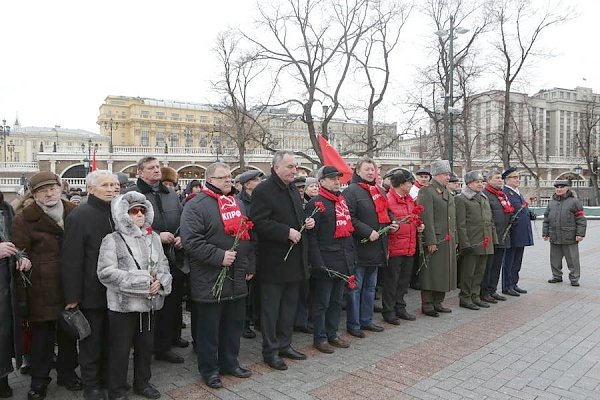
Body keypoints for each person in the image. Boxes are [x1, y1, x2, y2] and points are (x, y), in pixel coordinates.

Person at [180, 162, 254, 389]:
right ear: (209, 179)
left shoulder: (236, 201)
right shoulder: (196, 205)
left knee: (233, 325)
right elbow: (191, 241)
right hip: (209, 277)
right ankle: (209, 370)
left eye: (230, 178)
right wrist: (219, 256)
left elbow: (246, 236)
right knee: (209, 330)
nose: (227, 181)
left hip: (236, 275)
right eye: (222, 178)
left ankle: (230, 363)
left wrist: (248, 264)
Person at [11, 172, 81, 400]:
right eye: (42, 190)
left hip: (70, 282)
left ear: (60, 188)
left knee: (69, 333)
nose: (49, 193)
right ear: (34, 194)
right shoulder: (24, 218)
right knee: (42, 337)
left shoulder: (75, 212)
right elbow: (19, 249)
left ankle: (67, 374)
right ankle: (40, 380)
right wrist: (21, 259)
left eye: (52, 188)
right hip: (41, 287)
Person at [97, 192, 172, 400]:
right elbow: (105, 273)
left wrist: (161, 282)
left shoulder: (153, 238)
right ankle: (117, 390)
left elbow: (164, 266)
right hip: (123, 307)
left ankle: (143, 383)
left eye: (142, 210)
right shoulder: (112, 239)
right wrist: (142, 282)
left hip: (149, 304)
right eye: (133, 211)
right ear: (123, 214)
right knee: (119, 351)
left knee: (145, 348)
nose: (139, 214)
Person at [250, 150, 315, 371]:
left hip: (294, 261)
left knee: (289, 307)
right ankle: (270, 351)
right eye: (290, 166)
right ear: (276, 167)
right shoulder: (263, 191)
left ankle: (285, 344)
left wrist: (305, 222)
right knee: (271, 310)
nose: (294, 170)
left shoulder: (292, 190)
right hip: (274, 262)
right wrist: (285, 232)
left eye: (295, 166)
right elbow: (258, 222)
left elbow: (295, 216)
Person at [62, 170, 120, 400]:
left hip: (116, 290)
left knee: (112, 340)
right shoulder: (79, 216)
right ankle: (92, 385)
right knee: (91, 343)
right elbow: (71, 259)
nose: (111, 189)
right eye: (105, 185)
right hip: (91, 291)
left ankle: (108, 378)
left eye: (114, 185)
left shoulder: (119, 212)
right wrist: (72, 296)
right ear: (91, 189)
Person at [127, 157, 187, 363]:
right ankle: (146, 346)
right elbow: (130, 224)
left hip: (172, 256)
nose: (156, 170)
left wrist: (181, 236)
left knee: (171, 301)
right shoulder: (133, 195)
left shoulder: (170, 193)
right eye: (151, 168)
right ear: (140, 172)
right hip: (147, 256)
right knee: (151, 303)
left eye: (158, 167)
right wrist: (157, 235)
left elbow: (182, 218)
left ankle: (165, 343)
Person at [343, 158, 398, 337]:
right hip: (360, 248)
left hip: (377, 248)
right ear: (358, 171)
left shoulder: (378, 190)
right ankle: (354, 324)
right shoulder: (352, 191)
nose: (370, 172)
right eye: (366, 169)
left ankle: (367, 320)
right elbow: (349, 217)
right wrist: (367, 232)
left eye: (372, 169)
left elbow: (386, 211)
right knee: (356, 289)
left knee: (370, 288)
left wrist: (392, 223)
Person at [307, 166, 354, 354]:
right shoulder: (316, 204)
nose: (337, 181)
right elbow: (312, 238)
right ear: (322, 182)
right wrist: (318, 263)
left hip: (342, 259)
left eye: (338, 178)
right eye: (332, 178)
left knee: (336, 301)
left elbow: (348, 233)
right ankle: (320, 337)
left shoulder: (341, 202)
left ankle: (332, 333)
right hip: (326, 261)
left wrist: (351, 257)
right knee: (322, 303)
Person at [382, 169, 423, 324]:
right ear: (401, 184)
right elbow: (386, 222)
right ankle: (389, 311)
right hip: (395, 248)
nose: (412, 184)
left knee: (403, 282)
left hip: (409, 246)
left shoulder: (409, 199)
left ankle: (400, 307)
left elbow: (414, 217)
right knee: (392, 282)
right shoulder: (388, 200)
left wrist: (419, 225)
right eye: (409, 182)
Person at [417, 160, 457, 317]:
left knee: (444, 272)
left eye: (448, 174)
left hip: (447, 239)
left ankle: (438, 302)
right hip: (436, 240)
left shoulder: (446, 191)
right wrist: (430, 241)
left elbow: (452, 218)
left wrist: (455, 239)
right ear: (437, 175)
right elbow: (426, 218)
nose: (448, 177)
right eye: (445, 174)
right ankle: (427, 304)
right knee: (431, 272)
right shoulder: (427, 191)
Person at [455, 171, 496, 311]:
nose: (480, 184)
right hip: (471, 242)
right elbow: (460, 224)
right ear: (468, 183)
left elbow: (490, 220)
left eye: (481, 181)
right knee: (468, 273)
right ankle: (465, 298)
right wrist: (464, 244)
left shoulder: (483, 198)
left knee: (480, 272)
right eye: (477, 181)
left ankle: (475, 296)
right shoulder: (461, 199)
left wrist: (493, 239)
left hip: (485, 241)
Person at [235, 170, 264, 340]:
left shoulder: (260, 199)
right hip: (249, 249)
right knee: (247, 290)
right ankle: (244, 323)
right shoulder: (240, 203)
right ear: (246, 184)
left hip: (262, 249)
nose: (259, 182)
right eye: (255, 180)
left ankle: (257, 319)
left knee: (260, 289)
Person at [543, 180, 587, 286]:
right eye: (557, 187)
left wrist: (580, 234)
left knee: (572, 259)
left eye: (561, 187)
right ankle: (557, 276)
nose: (559, 189)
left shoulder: (574, 201)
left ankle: (574, 278)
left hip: (570, 236)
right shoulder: (551, 202)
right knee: (555, 259)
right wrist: (545, 233)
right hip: (554, 235)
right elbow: (546, 219)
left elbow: (581, 218)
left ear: (567, 188)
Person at [0, 191, 21, 399]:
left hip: (4, 284)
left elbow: (15, 241)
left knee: (3, 333)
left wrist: (22, 257)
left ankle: (2, 378)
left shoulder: (6, 209)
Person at [501, 167, 534, 296]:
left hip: (521, 232)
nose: (517, 180)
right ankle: (507, 285)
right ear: (507, 180)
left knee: (517, 261)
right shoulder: (505, 193)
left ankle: (514, 283)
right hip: (512, 232)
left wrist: (529, 214)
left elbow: (521, 208)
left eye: (517, 177)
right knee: (509, 261)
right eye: (514, 178)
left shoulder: (516, 192)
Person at [481, 168, 511, 303]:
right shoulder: (485, 194)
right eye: (497, 178)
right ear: (488, 180)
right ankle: (484, 292)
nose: (500, 180)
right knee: (488, 267)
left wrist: (511, 218)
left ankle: (492, 290)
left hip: (503, 236)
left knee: (496, 266)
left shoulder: (501, 195)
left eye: (500, 178)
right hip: (492, 238)